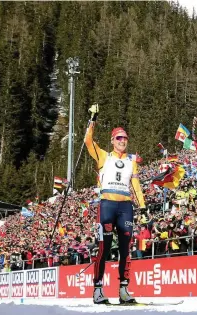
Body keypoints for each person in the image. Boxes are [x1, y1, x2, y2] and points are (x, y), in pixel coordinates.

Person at [85, 104, 146, 304]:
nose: (123, 141)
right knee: (104, 248)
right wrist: (92, 119)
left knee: (125, 249)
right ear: (112, 141)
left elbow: (135, 184)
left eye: (125, 138)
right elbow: (87, 141)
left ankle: (123, 290)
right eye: (119, 138)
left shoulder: (131, 160)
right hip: (107, 205)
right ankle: (98, 289)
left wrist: (143, 207)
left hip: (125, 207)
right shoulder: (104, 155)